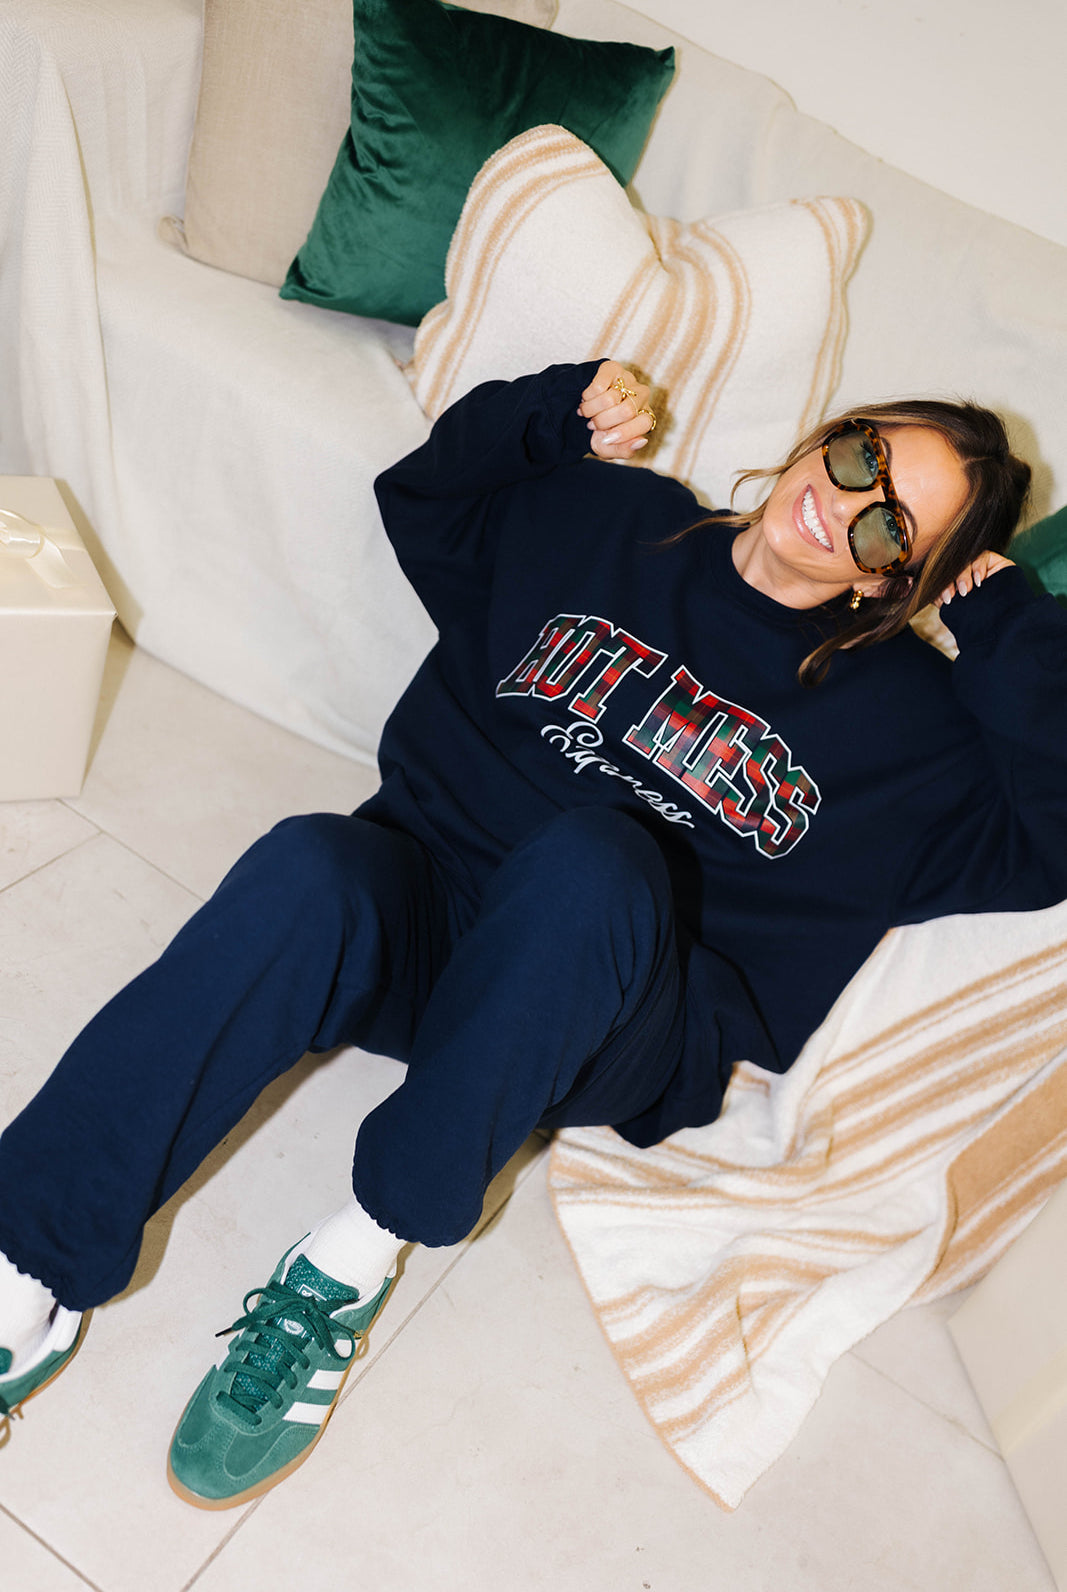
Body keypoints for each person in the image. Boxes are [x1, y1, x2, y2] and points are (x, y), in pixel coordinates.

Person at [1, 359, 1064, 1509]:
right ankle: (27, 1272)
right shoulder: (613, 519)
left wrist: (1000, 613)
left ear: (897, 580)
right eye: (861, 456)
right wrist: (546, 413)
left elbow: (1052, 832)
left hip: (610, 1013)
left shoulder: (910, 730)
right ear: (828, 432)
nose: (843, 501)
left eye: (888, 526)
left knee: (596, 859)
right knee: (310, 863)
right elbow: (424, 497)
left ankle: (349, 1259)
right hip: (429, 907)